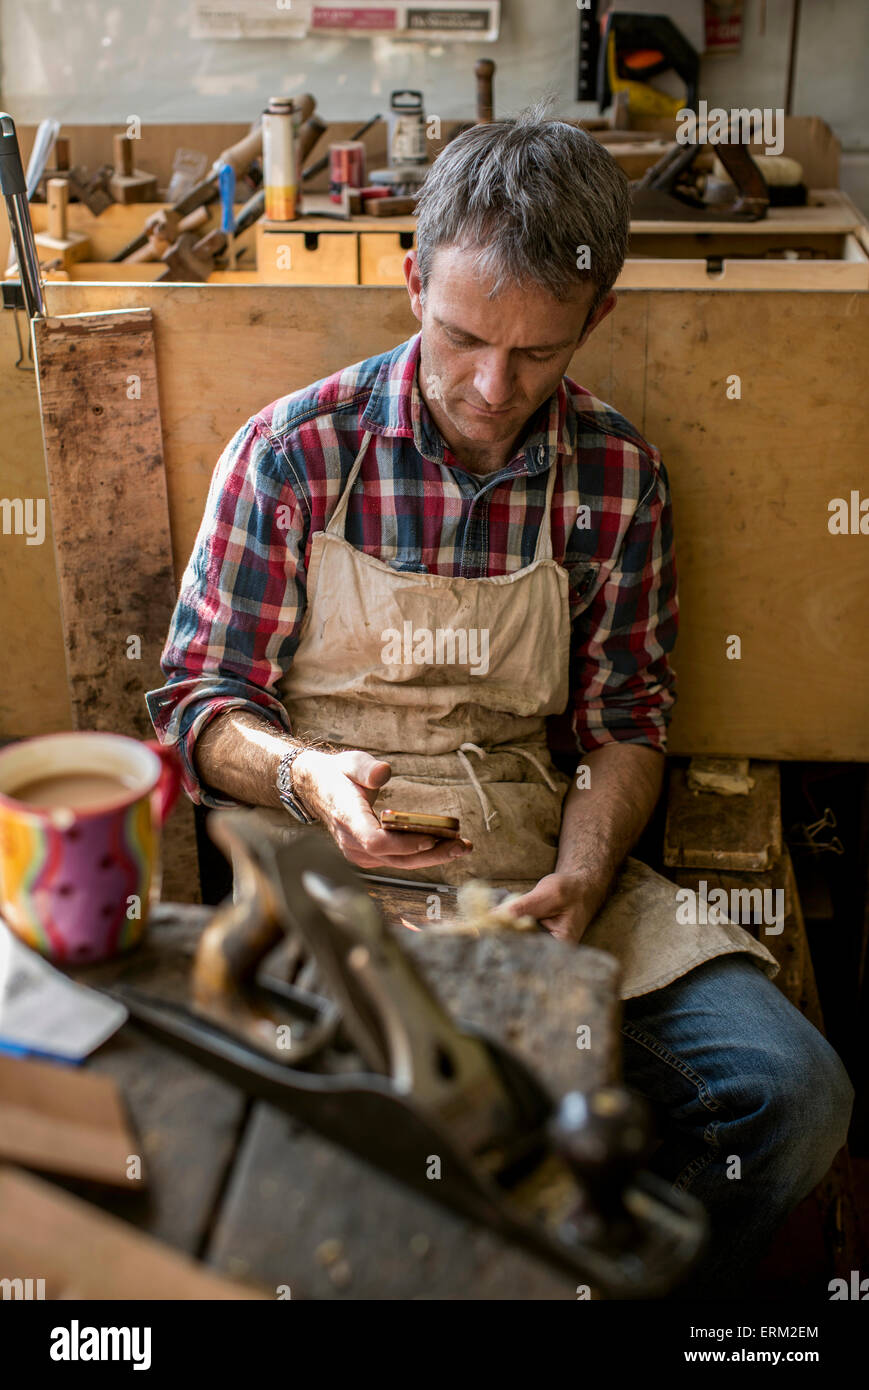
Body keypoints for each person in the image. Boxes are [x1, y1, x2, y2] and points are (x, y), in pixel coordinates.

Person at [146, 108, 853, 1297]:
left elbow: (624, 720)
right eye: (461, 336)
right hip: (333, 882)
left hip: (538, 866)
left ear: (597, 316)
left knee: (790, 1097)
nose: (489, 387)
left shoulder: (616, 477)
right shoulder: (294, 456)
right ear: (412, 279)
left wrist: (581, 877)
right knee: (391, 1147)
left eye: (535, 354)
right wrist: (304, 776)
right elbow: (196, 701)